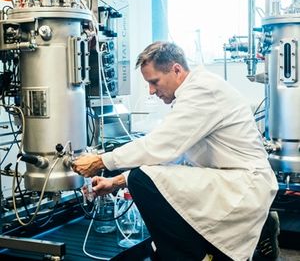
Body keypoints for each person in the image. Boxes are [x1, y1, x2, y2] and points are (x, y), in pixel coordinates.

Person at [73, 41, 279, 261]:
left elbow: (160, 146)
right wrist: (116, 182)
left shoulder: (202, 91)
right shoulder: (193, 93)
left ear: (177, 70)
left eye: (154, 82)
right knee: (156, 230)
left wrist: (102, 161)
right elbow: (177, 155)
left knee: (142, 180)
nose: (151, 91)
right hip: (226, 179)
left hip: (243, 183)